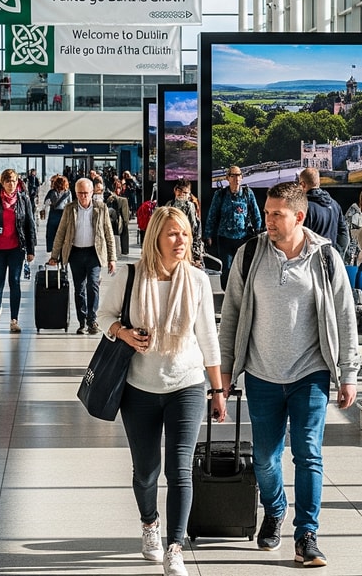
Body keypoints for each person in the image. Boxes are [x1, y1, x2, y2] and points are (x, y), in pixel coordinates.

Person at [218, 181, 359, 567]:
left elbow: (345, 318)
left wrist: (349, 373)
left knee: (308, 453)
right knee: (264, 458)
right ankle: (275, 509)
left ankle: (307, 535)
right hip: (262, 375)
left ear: (298, 216)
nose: (268, 221)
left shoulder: (326, 257)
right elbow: (230, 316)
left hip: (309, 375)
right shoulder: (250, 255)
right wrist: (224, 372)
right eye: (266, 213)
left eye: (276, 215)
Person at [100, 206, 224, 576]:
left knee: (180, 468)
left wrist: (217, 389)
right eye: (172, 234)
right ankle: (150, 523)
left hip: (186, 384)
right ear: (156, 236)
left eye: (185, 234)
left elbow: (208, 338)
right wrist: (123, 332)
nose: (180, 241)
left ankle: (175, 545)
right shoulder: (132, 275)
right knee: (146, 471)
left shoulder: (198, 280)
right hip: (139, 388)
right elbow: (103, 317)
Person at [50, 178, 117, 335]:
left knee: (93, 285)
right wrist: (54, 255)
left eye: (86, 193)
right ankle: (82, 321)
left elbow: (108, 233)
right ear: (75, 193)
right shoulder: (69, 208)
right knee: (79, 288)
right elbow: (61, 233)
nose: (83, 196)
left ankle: (92, 319)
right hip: (75, 253)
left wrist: (112, 257)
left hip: (94, 252)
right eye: (80, 193)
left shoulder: (101, 208)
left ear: (92, 192)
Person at [0, 169, 36, 332]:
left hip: (17, 248)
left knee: (15, 282)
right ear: (2, 183)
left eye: (14, 181)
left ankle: (14, 320)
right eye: (8, 181)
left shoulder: (23, 200)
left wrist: (31, 249)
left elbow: (30, 224)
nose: (11, 184)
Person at [204, 166, 262, 278]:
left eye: (238, 175)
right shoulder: (220, 194)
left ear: (242, 177)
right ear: (227, 178)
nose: (236, 178)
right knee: (226, 269)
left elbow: (256, 215)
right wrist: (208, 235)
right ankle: (227, 293)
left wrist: (258, 233)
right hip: (225, 238)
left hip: (243, 238)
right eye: (233, 175)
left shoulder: (247, 193)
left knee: (243, 269)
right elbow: (212, 215)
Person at [299, 168, 349, 257]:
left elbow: (299, 237)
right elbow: (344, 235)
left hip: (310, 262)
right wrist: (337, 254)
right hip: (330, 259)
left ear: (302, 184)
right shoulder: (334, 205)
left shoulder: (304, 207)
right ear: (318, 182)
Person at [164, 181, 203, 263]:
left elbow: (194, 227)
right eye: (180, 191)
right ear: (175, 190)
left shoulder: (190, 205)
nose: (182, 194)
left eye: (185, 192)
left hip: (186, 242)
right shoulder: (169, 204)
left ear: (189, 193)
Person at [43, 175, 72, 252]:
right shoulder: (68, 192)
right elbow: (70, 205)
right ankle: (62, 249)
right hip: (63, 214)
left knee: (51, 233)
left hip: (53, 214)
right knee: (62, 233)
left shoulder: (52, 192)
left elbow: (46, 202)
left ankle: (51, 248)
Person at [109, 177, 134, 255]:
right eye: (118, 187)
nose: (119, 189)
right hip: (117, 218)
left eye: (120, 187)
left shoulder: (121, 197)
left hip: (120, 218)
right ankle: (122, 250)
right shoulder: (116, 198)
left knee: (122, 233)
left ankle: (124, 250)